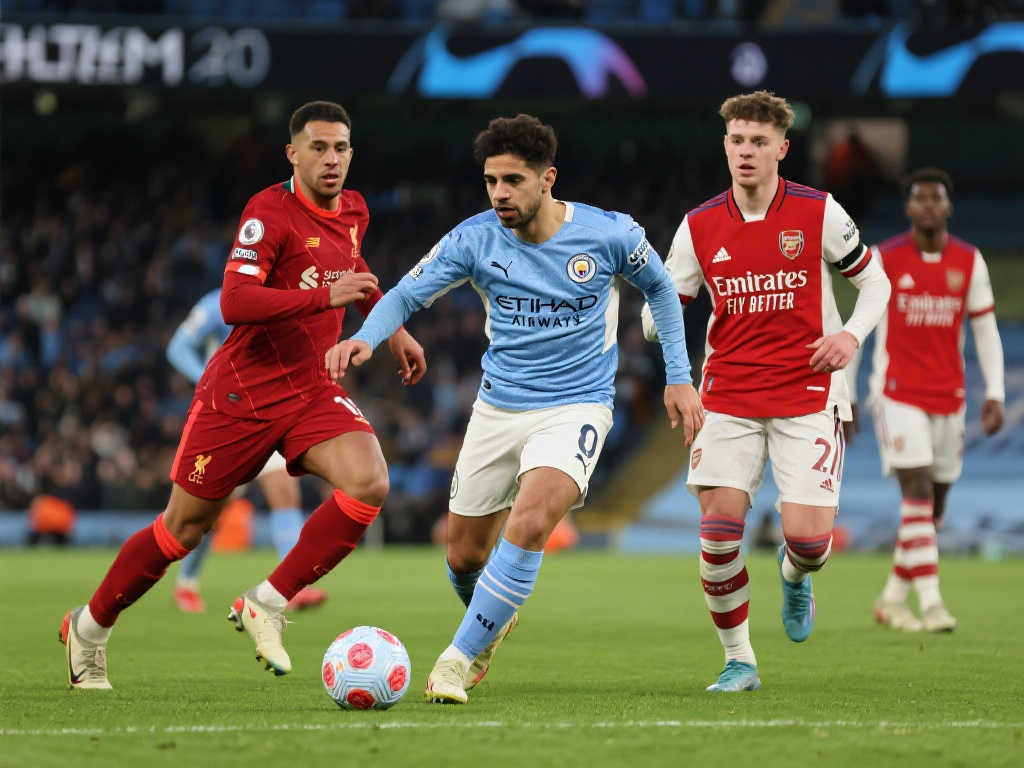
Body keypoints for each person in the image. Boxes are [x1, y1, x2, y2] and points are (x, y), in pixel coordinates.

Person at [327, 114, 704, 704]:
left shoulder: (609, 234)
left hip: (577, 406)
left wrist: (678, 376)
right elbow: (404, 293)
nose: (499, 193)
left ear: (547, 179)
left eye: (513, 181)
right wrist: (365, 338)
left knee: (529, 524)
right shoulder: (473, 239)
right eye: (490, 181)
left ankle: (455, 661)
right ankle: (493, 618)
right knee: (462, 556)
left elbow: (659, 286)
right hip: (498, 408)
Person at [59, 100, 426, 689]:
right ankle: (90, 626)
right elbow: (235, 301)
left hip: (310, 389)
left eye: (340, 148)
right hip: (241, 397)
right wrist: (323, 299)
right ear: (293, 153)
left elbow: (352, 272)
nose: (331, 159)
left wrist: (392, 328)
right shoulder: (268, 211)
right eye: (318, 148)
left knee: (369, 481)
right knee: (181, 531)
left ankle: (268, 602)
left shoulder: (355, 210)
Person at [642, 90, 891, 692]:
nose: (746, 151)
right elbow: (658, 315)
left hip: (807, 393)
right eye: (737, 140)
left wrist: (850, 336)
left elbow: (876, 282)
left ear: (782, 148)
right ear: (724, 145)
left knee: (810, 543)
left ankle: (795, 574)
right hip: (727, 396)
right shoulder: (699, 226)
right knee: (718, 532)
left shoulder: (818, 211)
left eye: (759, 141)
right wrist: (661, 312)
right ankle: (740, 661)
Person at [845, 167, 1004, 633]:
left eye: (937, 198)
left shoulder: (969, 261)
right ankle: (932, 605)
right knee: (915, 489)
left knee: (932, 508)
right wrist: (847, 393)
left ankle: (892, 598)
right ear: (908, 207)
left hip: (949, 394)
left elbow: (985, 329)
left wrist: (995, 392)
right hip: (896, 392)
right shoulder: (884, 259)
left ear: (948, 206)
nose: (929, 206)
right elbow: (859, 326)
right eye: (920, 198)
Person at [166, 289, 326, 613]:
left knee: (284, 491)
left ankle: (292, 587)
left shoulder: (282, 298)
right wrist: (209, 378)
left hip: (268, 414)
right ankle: (186, 582)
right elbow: (178, 348)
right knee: (207, 515)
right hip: (227, 419)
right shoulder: (217, 303)